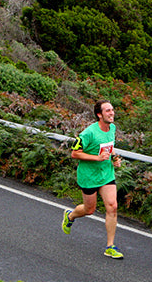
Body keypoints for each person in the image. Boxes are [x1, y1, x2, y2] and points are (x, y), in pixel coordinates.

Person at [61, 100, 124, 259]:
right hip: (89, 177)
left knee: (112, 206)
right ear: (99, 114)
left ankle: (110, 246)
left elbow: (109, 147)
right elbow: (75, 153)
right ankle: (70, 216)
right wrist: (96, 158)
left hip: (106, 174)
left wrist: (114, 159)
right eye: (108, 111)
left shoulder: (112, 128)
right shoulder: (89, 133)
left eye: (112, 110)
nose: (112, 113)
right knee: (90, 210)